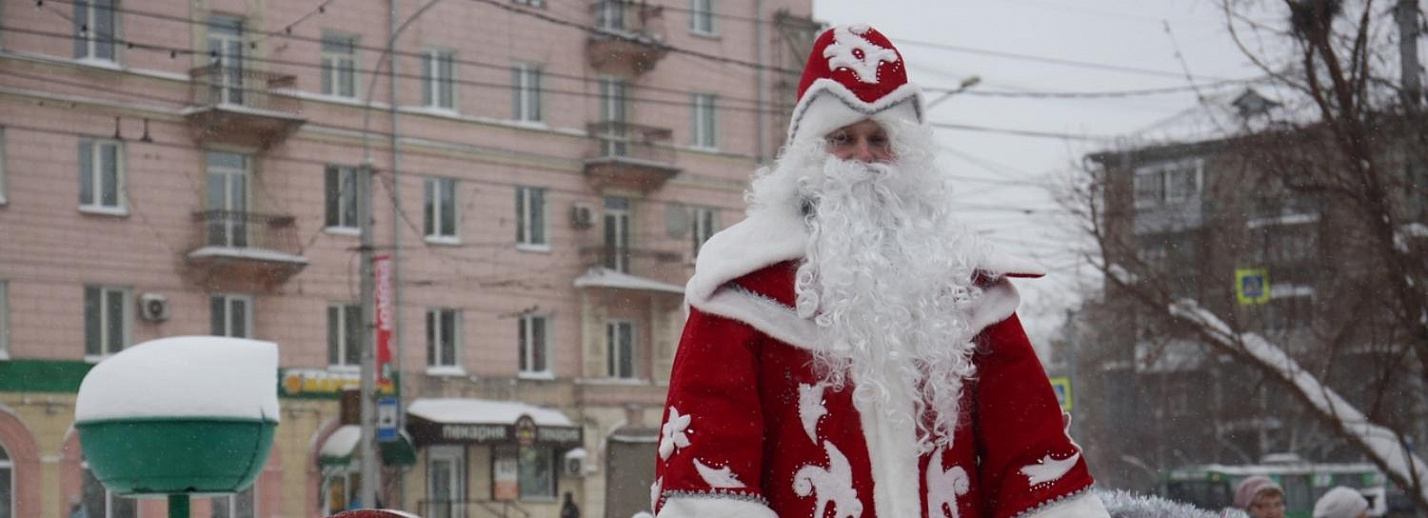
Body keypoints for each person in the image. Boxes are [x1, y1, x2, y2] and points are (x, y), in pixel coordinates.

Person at [651, 24, 1106, 518]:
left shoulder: (966, 290)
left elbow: (1032, 456)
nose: (864, 157)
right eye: (843, 138)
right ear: (809, 154)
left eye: (880, 138)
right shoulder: (744, 290)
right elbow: (710, 477)